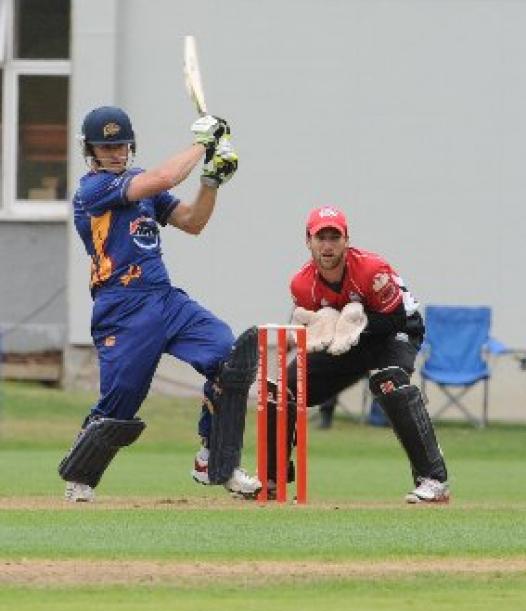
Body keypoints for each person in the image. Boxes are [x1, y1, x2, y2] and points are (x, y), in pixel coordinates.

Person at [60, 105, 262, 502]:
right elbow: (166, 176)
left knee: (228, 355)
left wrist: (211, 180)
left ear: (130, 144)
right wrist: (202, 143)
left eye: (120, 144)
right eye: (106, 147)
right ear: (92, 151)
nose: (115, 152)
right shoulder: (92, 190)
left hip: (164, 298)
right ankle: (80, 475)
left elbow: (192, 222)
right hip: (122, 308)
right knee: (120, 404)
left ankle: (213, 458)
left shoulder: (142, 186)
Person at [267, 205, 450, 503]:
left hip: (396, 331)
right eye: (320, 238)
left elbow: (396, 320)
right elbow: (312, 324)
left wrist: (354, 325)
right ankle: (274, 479)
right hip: (346, 340)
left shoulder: (371, 270)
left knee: (388, 382)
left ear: (346, 239)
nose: (327, 246)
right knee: (285, 388)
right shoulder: (301, 283)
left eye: (334, 237)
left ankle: (433, 479)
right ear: (308, 241)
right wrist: (305, 336)